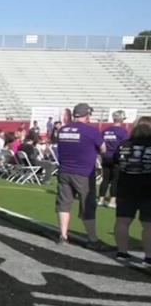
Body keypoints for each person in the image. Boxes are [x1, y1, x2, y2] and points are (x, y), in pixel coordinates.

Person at [55, 103, 105, 248]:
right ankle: (93, 239)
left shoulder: (63, 130)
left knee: (64, 204)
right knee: (87, 206)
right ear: (87, 115)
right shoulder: (91, 131)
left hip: (65, 170)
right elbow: (103, 149)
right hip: (84, 173)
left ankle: (63, 235)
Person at [113, 116, 151, 267]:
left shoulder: (124, 145)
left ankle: (122, 252)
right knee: (148, 224)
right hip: (148, 189)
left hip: (125, 187)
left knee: (122, 220)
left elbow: (116, 161)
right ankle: (148, 257)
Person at [99, 111, 130, 208]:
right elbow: (126, 145)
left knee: (105, 179)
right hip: (116, 157)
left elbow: (101, 144)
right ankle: (112, 201)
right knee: (115, 180)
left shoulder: (106, 131)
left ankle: (101, 199)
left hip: (105, 157)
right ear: (122, 119)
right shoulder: (123, 132)